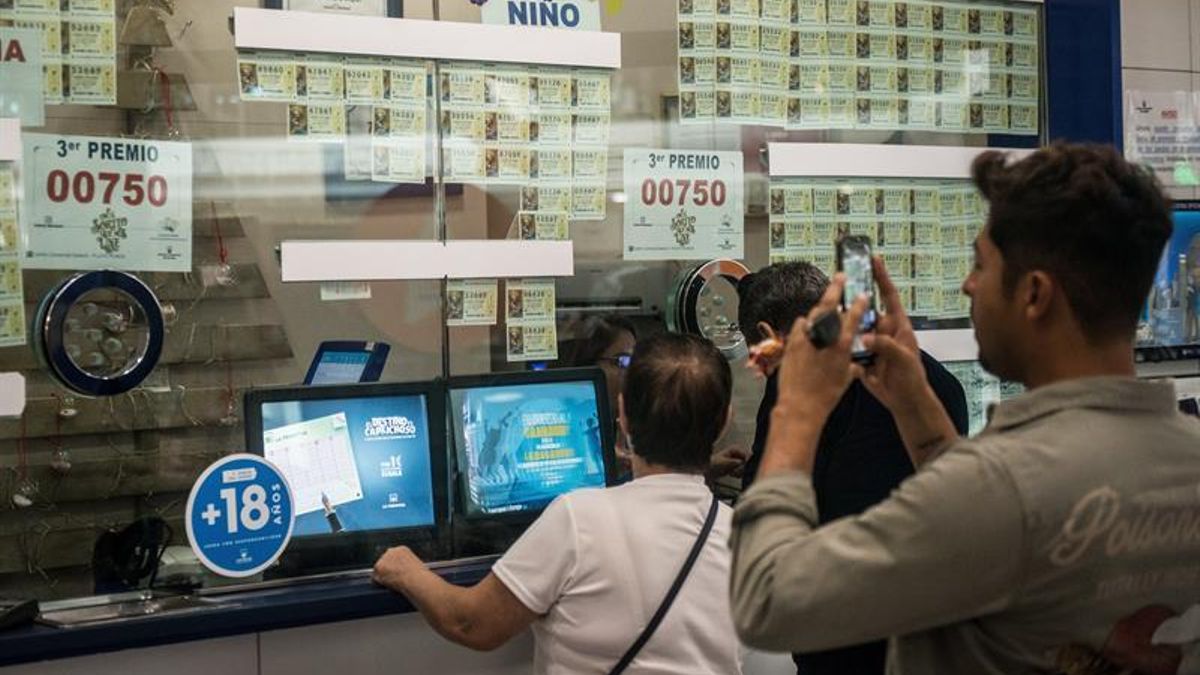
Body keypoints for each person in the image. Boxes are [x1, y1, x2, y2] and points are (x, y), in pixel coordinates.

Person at [729, 143, 1200, 674]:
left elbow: (766, 601)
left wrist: (796, 410)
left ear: (1034, 294)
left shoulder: (1003, 487)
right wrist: (913, 403)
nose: (967, 284)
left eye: (982, 264)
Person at [374, 333, 743, 675]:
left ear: (623, 415)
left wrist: (406, 570)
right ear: (725, 421)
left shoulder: (579, 518)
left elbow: (472, 624)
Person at [736, 261, 968, 675]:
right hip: (929, 632)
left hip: (839, 633)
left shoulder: (798, 381)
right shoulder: (927, 375)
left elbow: (763, 508)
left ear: (768, 336)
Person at [565, 315, 746, 482]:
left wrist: (706, 467)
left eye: (636, 361)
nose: (634, 371)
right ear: (588, 365)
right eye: (623, 361)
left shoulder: (630, 426)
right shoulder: (565, 428)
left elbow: (658, 481)